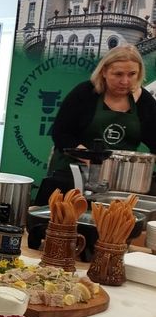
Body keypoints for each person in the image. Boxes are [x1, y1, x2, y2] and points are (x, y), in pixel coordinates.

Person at [37, 44, 156, 202]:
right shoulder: (85, 93)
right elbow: (61, 134)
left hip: (119, 185)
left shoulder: (145, 102)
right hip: (72, 176)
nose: (125, 81)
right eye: (118, 74)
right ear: (104, 71)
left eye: (132, 74)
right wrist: (91, 158)